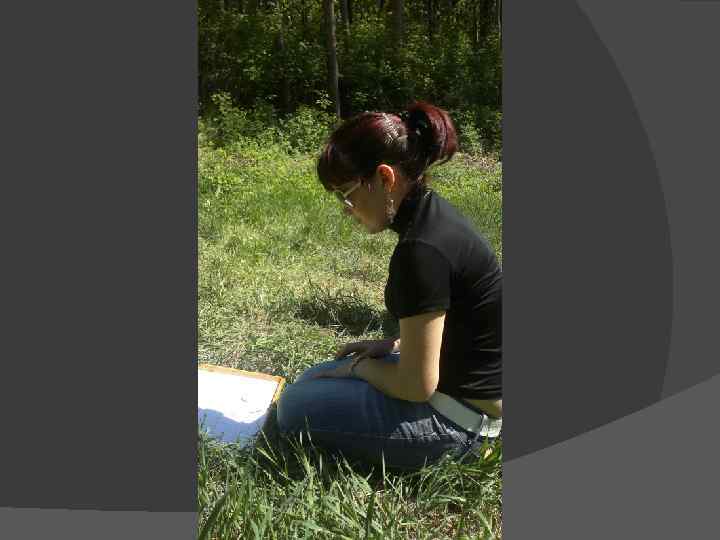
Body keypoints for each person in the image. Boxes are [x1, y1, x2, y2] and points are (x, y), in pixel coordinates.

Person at [275, 101, 502, 471]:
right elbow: (461, 323)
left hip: (460, 425)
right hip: (464, 396)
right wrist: (394, 345)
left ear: (384, 178)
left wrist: (359, 369)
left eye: (346, 192)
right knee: (311, 379)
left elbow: (415, 386)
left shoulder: (421, 250)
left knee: (291, 408)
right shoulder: (433, 216)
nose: (346, 208)